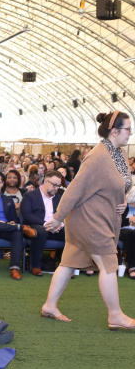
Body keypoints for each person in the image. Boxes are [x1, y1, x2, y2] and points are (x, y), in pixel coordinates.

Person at [42, 110, 135, 328]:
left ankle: (49, 306)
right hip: (89, 220)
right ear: (114, 131)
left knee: (68, 262)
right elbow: (74, 189)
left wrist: (122, 201)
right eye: (128, 129)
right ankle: (115, 316)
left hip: (101, 217)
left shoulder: (120, 153)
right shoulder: (97, 157)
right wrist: (58, 218)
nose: (131, 133)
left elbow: (119, 185)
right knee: (109, 264)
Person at [20, 170, 64, 275]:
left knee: (71, 233)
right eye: (54, 185)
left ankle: (65, 267)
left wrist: (60, 224)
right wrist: (46, 224)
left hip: (55, 228)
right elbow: (27, 215)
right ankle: (36, 266)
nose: (56, 188)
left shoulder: (59, 198)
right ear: (45, 182)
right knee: (41, 231)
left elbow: (65, 215)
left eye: (58, 186)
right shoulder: (30, 196)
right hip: (37, 225)